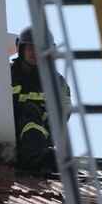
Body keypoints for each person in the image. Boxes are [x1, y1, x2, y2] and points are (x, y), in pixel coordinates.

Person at [11, 26, 71, 172]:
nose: (36, 53)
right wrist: (17, 109)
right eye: (31, 48)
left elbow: (63, 113)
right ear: (21, 49)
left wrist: (41, 112)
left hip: (41, 136)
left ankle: (39, 162)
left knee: (31, 122)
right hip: (7, 133)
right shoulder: (5, 75)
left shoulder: (57, 82)